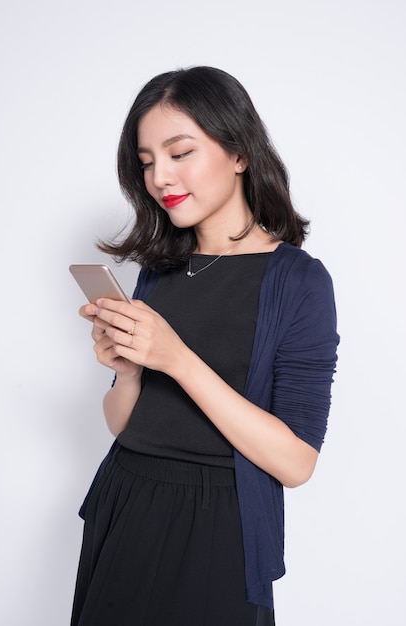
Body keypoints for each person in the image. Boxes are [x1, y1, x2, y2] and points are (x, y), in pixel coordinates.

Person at [70, 66, 339, 626]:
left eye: (179, 152)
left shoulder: (297, 281)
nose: (159, 177)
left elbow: (296, 463)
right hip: (125, 504)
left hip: (221, 524)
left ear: (239, 153)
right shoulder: (160, 270)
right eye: (146, 162)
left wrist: (176, 359)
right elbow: (123, 425)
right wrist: (129, 373)